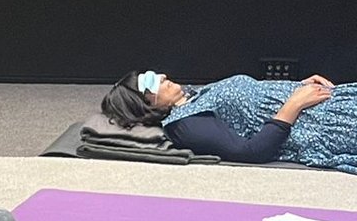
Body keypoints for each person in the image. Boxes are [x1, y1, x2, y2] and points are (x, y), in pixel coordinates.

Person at [101, 70, 357, 172]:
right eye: (149, 81)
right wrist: (294, 103)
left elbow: (250, 99)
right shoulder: (185, 125)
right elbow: (251, 152)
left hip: (329, 102)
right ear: (145, 103)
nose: (161, 75)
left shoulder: (194, 96)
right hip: (324, 124)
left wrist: (294, 86)